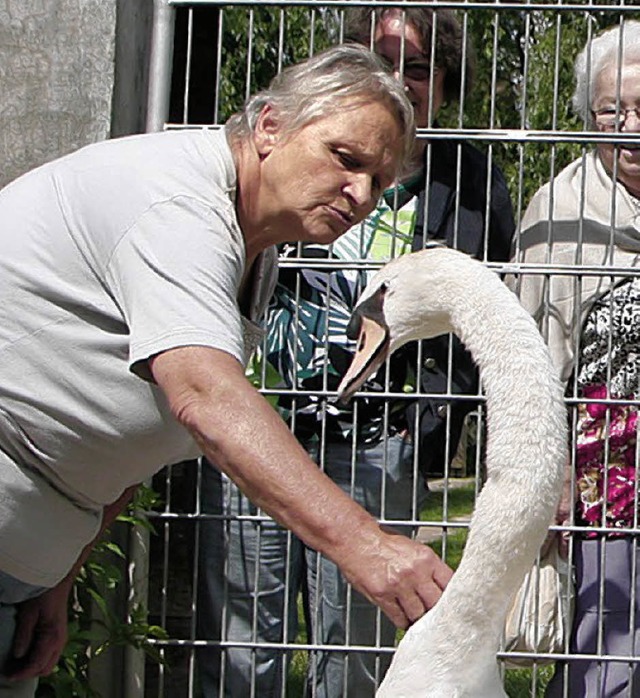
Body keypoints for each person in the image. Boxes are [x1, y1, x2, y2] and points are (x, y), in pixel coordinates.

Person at [0, 45, 455, 698]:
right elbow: (204, 397)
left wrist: (58, 574)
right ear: (269, 126)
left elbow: (137, 432)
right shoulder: (177, 206)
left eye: (380, 183)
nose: (360, 194)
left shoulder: (251, 244)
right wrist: (367, 545)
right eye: (346, 159)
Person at [197, 7, 515, 697]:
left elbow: (480, 311)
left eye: (420, 67)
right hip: (264, 422)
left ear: (446, 83)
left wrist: (422, 429)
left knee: (358, 651)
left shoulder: (471, 181)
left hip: (378, 441)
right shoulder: (283, 162)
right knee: (245, 642)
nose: (399, 78)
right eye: (381, 57)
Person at [512, 20, 640, 697]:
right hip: (607, 482)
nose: (630, 127)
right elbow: (529, 356)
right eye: (611, 111)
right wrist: (548, 473)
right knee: (608, 654)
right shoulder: (558, 211)